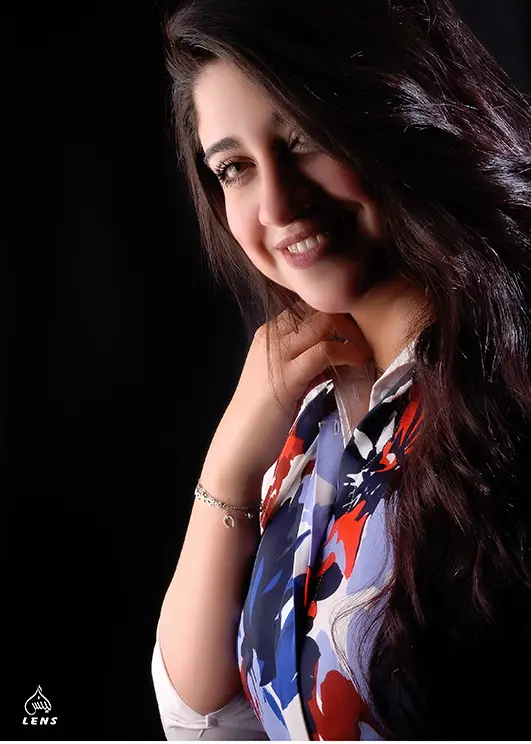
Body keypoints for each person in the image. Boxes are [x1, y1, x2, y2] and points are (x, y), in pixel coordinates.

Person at [151, 0, 531, 739]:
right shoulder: (304, 414)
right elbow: (204, 721)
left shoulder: (508, 384)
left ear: (390, 114)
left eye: (303, 139)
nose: (277, 203)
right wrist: (229, 468)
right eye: (235, 168)